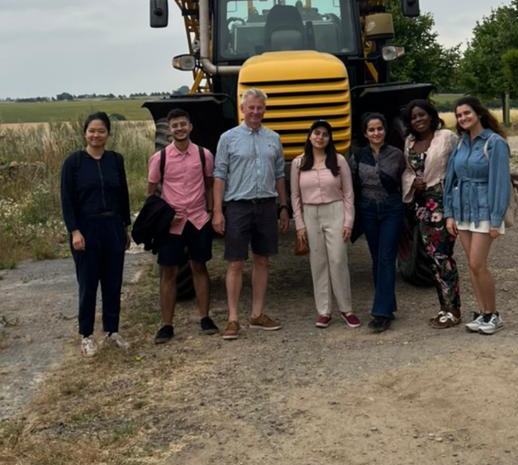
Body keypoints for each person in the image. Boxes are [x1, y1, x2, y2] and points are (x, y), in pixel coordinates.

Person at [212, 88, 291, 339]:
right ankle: (233, 319)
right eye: (251, 107)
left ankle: (257, 314)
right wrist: (217, 211)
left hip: (266, 205)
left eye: (260, 108)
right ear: (242, 109)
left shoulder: (273, 139)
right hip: (238, 206)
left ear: (264, 110)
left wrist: (284, 207)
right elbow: (219, 175)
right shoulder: (228, 138)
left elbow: (280, 174)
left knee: (262, 260)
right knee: (235, 262)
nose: (255, 112)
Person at [60, 112, 131, 358]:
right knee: (88, 284)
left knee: (113, 283)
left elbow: (123, 195)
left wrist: (125, 227)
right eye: (92, 131)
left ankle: (112, 331)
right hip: (86, 230)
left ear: (108, 134)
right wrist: (74, 231)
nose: (96, 135)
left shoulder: (115, 160)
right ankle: (87, 335)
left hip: (112, 227)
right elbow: (67, 201)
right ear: (85, 133)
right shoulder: (74, 162)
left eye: (101, 131)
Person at [146, 108, 219, 344]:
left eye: (183, 124)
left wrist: (210, 211)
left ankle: (205, 317)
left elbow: (208, 185)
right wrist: (164, 217)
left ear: (190, 127)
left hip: (198, 220)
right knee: (169, 272)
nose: (179, 129)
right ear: (169, 129)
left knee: (199, 267)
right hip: (172, 224)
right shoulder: (160, 158)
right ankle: (166, 325)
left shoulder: (204, 155)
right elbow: (152, 193)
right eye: (175, 125)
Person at [443, 95, 511, 335]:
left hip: (484, 209)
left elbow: (500, 183)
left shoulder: (495, 143)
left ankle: (494, 315)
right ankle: (483, 313)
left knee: (477, 262)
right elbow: (451, 180)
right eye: (459, 115)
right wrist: (449, 213)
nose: (463, 118)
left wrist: (496, 219)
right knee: (472, 267)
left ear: (479, 113)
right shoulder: (460, 144)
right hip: (462, 210)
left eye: (467, 113)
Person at [290, 119, 361, 329]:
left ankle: (346, 309)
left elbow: (349, 194)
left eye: (324, 134)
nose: (320, 137)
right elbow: (295, 196)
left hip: (335, 210)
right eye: (316, 133)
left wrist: (348, 221)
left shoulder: (338, 161)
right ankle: (324, 310)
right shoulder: (298, 163)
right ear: (310, 136)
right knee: (318, 262)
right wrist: (300, 224)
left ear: (329, 139)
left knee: (338, 259)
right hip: (311, 213)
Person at [402, 97, 461, 328]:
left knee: (443, 258)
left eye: (422, 115)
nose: (418, 120)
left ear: (432, 115)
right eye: (413, 117)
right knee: (432, 258)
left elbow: (457, 168)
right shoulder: (409, 141)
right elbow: (407, 171)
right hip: (422, 207)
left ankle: (453, 309)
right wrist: (412, 183)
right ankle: (444, 307)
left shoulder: (446, 138)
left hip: (443, 205)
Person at [350, 112, 406, 332]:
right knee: (376, 258)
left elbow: (406, 180)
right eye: (371, 130)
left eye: (379, 129)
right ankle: (388, 305)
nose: (376, 133)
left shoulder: (397, 155)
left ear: (385, 131)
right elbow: (352, 184)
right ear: (365, 133)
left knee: (386, 258)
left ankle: (381, 313)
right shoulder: (357, 156)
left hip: (391, 209)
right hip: (368, 210)